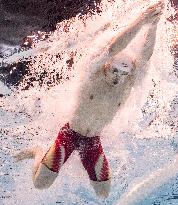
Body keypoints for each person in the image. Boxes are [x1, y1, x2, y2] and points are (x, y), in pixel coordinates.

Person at [14, 1, 165, 198]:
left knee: (104, 193)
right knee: (41, 184)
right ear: (106, 66)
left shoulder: (127, 85)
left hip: (92, 142)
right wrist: (141, 21)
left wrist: (152, 26)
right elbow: (112, 48)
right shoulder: (93, 74)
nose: (117, 77)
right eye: (115, 71)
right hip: (69, 135)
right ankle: (37, 151)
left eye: (124, 74)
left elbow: (145, 58)